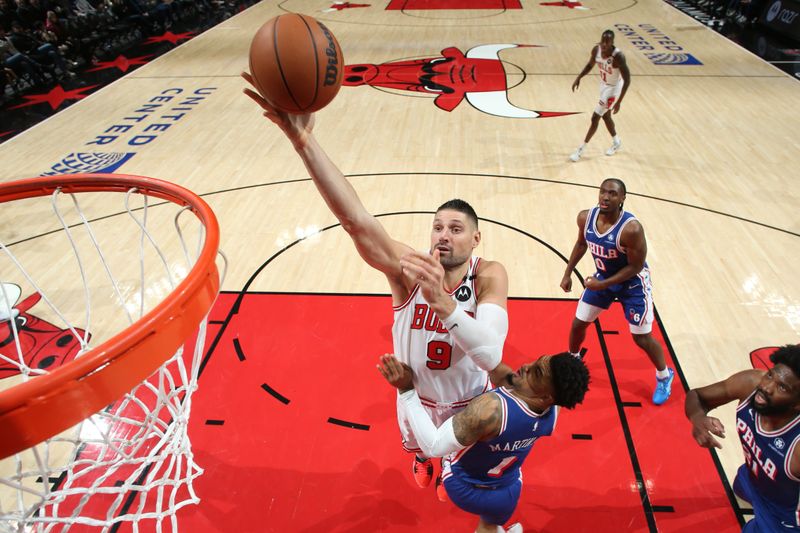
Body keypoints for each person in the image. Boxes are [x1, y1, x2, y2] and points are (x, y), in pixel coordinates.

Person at [243, 73, 511, 497]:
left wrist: (442, 301)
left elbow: (492, 352)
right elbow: (358, 222)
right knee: (422, 446)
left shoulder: (489, 274)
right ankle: (423, 456)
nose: (443, 235)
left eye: (456, 229)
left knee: (464, 483)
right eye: (437, 227)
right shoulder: (408, 269)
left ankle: (450, 463)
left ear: (475, 239)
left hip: (469, 403)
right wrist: (304, 144)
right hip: (416, 396)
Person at [378, 352, 590, 533]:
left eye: (537, 373)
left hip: (462, 486)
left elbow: (434, 445)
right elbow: (501, 373)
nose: (526, 366)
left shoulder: (490, 410)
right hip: (508, 490)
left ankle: (439, 467)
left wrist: (406, 391)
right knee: (488, 527)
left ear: (546, 397)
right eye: (537, 361)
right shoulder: (554, 412)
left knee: (446, 445)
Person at [559, 178, 674, 405]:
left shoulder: (631, 229)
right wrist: (568, 272)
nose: (605, 197)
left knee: (641, 337)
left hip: (633, 284)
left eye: (612, 193)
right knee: (578, 323)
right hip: (604, 277)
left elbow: (636, 266)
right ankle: (572, 362)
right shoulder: (586, 217)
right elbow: (581, 243)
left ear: (622, 199)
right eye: (603, 192)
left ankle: (664, 375)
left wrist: (602, 285)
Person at [685, 344, 800, 531]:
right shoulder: (750, 383)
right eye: (770, 375)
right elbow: (697, 396)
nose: (767, 387)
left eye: (782, 387)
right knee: (740, 487)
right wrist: (698, 419)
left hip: (783, 515)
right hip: (753, 476)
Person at [569, 29, 630, 162]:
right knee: (606, 116)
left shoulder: (618, 56)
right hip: (603, 85)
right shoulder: (596, 50)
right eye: (603, 41)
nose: (604, 45)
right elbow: (590, 65)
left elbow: (627, 80)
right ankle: (617, 142)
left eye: (607, 43)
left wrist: (619, 101)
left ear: (612, 43)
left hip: (613, 89)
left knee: (595, 117)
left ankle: (580, 150)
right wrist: (579, 77)